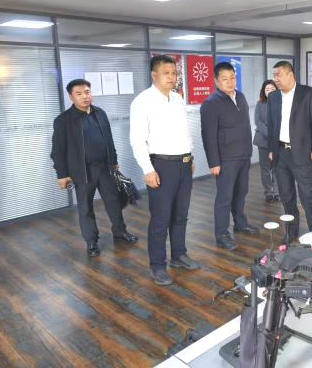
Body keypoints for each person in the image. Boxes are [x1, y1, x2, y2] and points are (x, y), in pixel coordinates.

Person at [130, 55, 200, 286]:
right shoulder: (142, 101)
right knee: (161, 218)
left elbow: (184, 131)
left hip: (183, 164)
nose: (172, 77)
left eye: (174, 73)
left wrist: (190, 156)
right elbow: (137, 140)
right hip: (160, 166)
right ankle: (157, 265)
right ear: (154, 75)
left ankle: (179, 255)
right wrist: (148, 170)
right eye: (166, 73)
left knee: (181, 214)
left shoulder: (178, 98)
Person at [51, 79, 138, 257]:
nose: (85, 96)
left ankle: (120, 232)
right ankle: (91, 242)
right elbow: (57, 151)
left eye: (87, 92)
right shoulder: (63, 120)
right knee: (85, 208)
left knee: (113, 203)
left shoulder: (100, 113)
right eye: (79, 93)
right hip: (82, 172)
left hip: (105, 168)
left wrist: (114, 160)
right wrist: (62, 175)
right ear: (71, 97)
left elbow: (109, 139)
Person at [200, 62, 260, 250]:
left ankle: (240, 223)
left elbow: (245, 126)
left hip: (243, 155)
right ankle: (222, 234)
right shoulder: (211, 103)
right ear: (216, 81)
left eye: (232, 77)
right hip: (225, 159)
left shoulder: (240, 96)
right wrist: (214, 162)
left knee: (241, 192)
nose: (229, 82)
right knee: (224, 197)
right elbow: (208, 135)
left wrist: (249, 151)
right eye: (224, 79)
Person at [267, 61, 312, 243]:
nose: (276, 79)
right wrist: (271, 149)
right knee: (286, 196)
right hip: (280, 153)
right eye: (274, 75)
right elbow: (271, 125)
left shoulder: (308, 93)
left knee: (307, 195)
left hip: (302, 152)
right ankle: (291, 232)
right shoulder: (273, 97)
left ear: (290, 74)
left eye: (279, 75)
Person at [253, 80, 279, 202]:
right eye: (267, 89)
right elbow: (257, 121)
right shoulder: (260, 104)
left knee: (276, 167)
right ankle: (268, 192)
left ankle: (277, 191)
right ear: (263, 91)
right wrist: (270, 134)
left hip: (278, 141)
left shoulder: (281, 103)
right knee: (265, 168)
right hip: (263, 140)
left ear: (276, 90)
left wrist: (275, 135)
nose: (270, 91)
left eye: (272, 89)